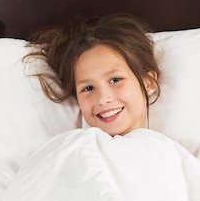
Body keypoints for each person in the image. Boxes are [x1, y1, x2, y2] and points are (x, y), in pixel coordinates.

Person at [25, 13, 160, 137]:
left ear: (148, 82)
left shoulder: (172, 154)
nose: (102, 99)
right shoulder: (69, 149)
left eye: (115, 79)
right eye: (88, 88)